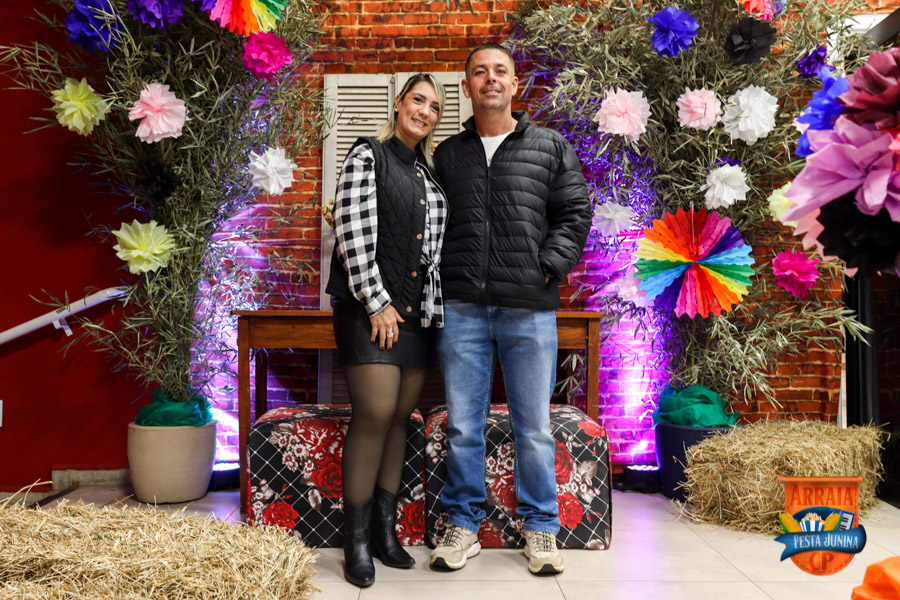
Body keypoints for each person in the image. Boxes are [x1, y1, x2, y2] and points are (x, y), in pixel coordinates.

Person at [429, 43, 591, 575]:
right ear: (467, 87)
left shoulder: (548, 146)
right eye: (480, 72)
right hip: (463, 309)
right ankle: (462, 525)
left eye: (500, 71)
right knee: (463, 426)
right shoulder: (448, 155)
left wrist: (547, 267)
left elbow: (574, 212)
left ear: (514, 84)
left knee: (534, 427)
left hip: (528, 308)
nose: (491, 79)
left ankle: (541, 528)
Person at [325, 73, 447, 588]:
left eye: (435, 107)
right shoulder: (368, 155)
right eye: (418, 100)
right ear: (399, 104)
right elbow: (350, 231)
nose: (425, 112)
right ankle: (354, 542)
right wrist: (377, 303)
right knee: (375, 414)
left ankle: (383, 531)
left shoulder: (430, 175)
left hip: (417, 317)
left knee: (399, 419)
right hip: (368, 308)